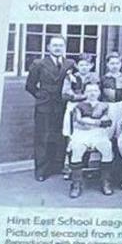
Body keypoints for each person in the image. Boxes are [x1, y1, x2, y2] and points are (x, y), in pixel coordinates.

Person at [25, 44, 71, 179]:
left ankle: (57, 166)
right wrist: (41, 96)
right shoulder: (39, 64)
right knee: (42, 137)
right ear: (48, 47)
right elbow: (30, 86)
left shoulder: (69, 63)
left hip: (62, 105)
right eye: (55, 45)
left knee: (60, 136)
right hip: (44, 106)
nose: (58, 48)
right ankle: (41, 171)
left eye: (61, 45)